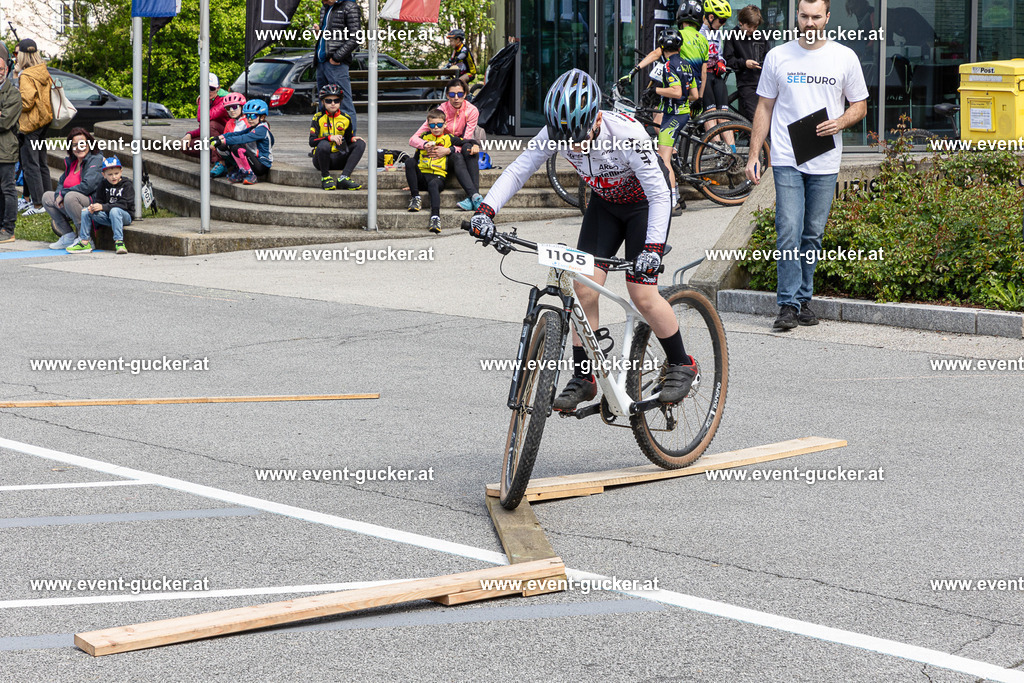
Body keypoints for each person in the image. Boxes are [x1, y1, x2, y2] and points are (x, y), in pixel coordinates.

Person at [469, 69, 699, 410]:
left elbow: (659, 193)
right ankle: (584, 377)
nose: (574, 146)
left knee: (642, 293)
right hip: (604, 207)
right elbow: (519, 169)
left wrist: (651, 248)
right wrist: (485, 211)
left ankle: (683, 364)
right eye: (567, 140)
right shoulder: (556, 132)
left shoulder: (626, 132)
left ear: (595, 117)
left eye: (580, 136)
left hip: (644, 207)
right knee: (583, 288)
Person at [745, 0, 868, 330]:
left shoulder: (844, 57)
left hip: (825, 160)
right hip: (787, 157)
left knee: (812, 233)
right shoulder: (778, 56)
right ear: (796, 17)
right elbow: (765, 108)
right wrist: (754, 154)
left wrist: (841, 122)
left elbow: (860, 105)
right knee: (787, 230)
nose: (810, 23)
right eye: (804, 16)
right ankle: (786, 305)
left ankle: (804, 299)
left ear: (827, 17)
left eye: (816, 17)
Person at [407, 79, 482, 211]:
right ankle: (474, 197)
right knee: (458, 155)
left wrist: (448, 150)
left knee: (468, 147)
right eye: (452, 95)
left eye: (460, 94)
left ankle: (473, 196)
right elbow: (413, 138)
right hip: (440, 156)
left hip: (456, 149)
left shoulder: (472, 111)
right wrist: (425, 144)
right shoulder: (441, 111)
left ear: (465, 94)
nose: (456, 98)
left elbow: (466, 139)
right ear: (447, 95)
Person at [649, 29, 699, 216]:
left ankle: (672, 204)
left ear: (663, 47)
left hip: (672, 116)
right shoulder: (686, 65)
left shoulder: (668, 66)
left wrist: (657, 91)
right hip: (683, 113)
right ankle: (676, 196)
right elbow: (694, 95)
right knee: (668, 155)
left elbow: (676, 92)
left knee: (664, 160)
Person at [406, 109, 472, 234]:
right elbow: (415, 159)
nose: (436, 128)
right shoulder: (424, 138)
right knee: (409, 161)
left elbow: (467, 142)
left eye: (439, 125)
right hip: (422, 176)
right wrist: (411, 181)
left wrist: (453, 149)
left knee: (433, 184)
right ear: (428, 125)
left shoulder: (449, 138)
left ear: (445, 125)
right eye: (432, 125)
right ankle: (415, 198)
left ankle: (435, 217)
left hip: (438, 178)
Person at [43, 128, 104, 250]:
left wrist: (64, 194)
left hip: (92, 201)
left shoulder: (95, 159)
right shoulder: (73, 162)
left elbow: (88, 186)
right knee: (47, 197)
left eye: (82, 143)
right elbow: (61, 182)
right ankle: (68, 236)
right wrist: (58, 195)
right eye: (75, 145)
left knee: (70, 196)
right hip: (73, 202)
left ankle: (85, 239)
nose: (79, 147)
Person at [14, 38, 52, 218]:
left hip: (30, 125)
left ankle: (38, 204)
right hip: (43, 122)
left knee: (30, 165)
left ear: (22, 55)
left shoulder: (26, 75)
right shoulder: (42, 71)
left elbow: (26, 102)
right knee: (42, 163)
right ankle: (48, 200)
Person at [67, 157, 134, 254]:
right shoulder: (103, 184)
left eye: (116, 173)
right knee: (86, 211)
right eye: (110, 174)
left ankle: (119, 242)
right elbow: (99, 201)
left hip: (124, 216)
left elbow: (125, 204)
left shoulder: (127, 185)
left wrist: (103, 207)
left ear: (121, 172)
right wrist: (94, 207)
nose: (114, 177)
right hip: (108, 216)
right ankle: (85, 242)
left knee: (114, 210)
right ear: (104, 175)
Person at [315, 0, 361, 133]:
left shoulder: (349, 6)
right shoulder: (325, 7)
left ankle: (349, 139)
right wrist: (320, 32)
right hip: (321, 62)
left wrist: (336, 57)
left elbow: (356, 37)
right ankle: (323, 140)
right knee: (323, 104)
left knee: (344, 103)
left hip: (336, 64)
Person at [309, 84, 364, 191]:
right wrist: (329, 138)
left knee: (360, 143)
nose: (333, 104)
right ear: (323, 102)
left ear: (340, 102)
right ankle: (325, 177)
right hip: (321, 159)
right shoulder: (318, 117)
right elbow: (312, 141)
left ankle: (344, 177)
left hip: (339, 157)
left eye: (336, 101)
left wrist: (352, 139)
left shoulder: (346, 118)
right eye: (329, 101)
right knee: (324, 144)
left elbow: (348, 138)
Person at [700, 0, 736, 151]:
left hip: (716, 75)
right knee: (711, 113)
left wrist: (721, 61)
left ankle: (732, 151)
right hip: (704, 76)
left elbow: (719, 53)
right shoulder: (699, 33)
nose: (723, 23)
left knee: (724, 113)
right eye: (721, 20)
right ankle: (718, 149)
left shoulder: (717, 32)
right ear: (710, 17)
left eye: (725, 20)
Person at [724, 5, 770, 121]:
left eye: (755, 27)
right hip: (746, 83)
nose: (752, 30)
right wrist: (744, 63)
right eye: (749, 26)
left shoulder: (761, 36)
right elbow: (728, 59)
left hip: (764, 81)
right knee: (755, 117)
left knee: (768, 116)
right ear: (741, 22)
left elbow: (769, 56)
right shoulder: (732, 35)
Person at [217, 99, 275, 185]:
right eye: (248, 116)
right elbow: (238, 133)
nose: (250, 119)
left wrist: (224, 141)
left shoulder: (261, 130)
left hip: (262, 165)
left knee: (238, 146)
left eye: (253, 116)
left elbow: (243, 138)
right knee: (230, 146)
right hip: (253, 160)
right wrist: (220, 137)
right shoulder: (253, 127)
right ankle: (242, 170)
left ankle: (250, 174)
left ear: (262, 117)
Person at [0, 58, 23, 243]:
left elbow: (5, 122)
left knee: (8, 189)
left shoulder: (13, 94)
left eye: (0, 68)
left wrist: (2, 114)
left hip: (6, 149)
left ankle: (9, 229)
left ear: (6, 69)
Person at [181, 74, 230, 161]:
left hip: (227, 136)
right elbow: (203, 125)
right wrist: (190, 134)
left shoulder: (224, 100)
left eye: (212, 88)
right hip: (212, 135)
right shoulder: (208, 99)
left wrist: (201, 100)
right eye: (205, 88)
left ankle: (219, 161)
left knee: (211, 125)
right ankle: (218, 157)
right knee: (184, 145)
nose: (208, 91)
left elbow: (202, 118)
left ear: (218, 88)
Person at [211, 92, 248, 178]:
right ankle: (235, 166)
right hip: (235, 152)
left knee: (235, 145)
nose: (231, 110)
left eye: (235, 107)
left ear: (242, 106)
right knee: (220, 146)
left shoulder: (248, 122)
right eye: (228, 108)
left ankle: (242, 168)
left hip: (248, 152)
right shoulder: (229, 123)